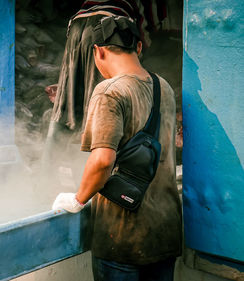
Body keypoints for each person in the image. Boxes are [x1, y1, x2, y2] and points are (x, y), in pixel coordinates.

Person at [52, 16, 182, 281]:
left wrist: (78, 199)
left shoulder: (109, 91)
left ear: (98, 51)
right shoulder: (164, 87)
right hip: (165, 232)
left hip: (122, 238)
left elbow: (102, 162)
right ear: (139, 47)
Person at [41, 0, 144, 171]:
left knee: (65, 104)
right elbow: (138, 44)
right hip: (106, 28)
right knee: (99, 108)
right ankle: (87, 175)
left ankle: (45, 177)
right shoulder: (134, 4)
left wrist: (70, 85)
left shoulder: (89, 2)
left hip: (76, 27)